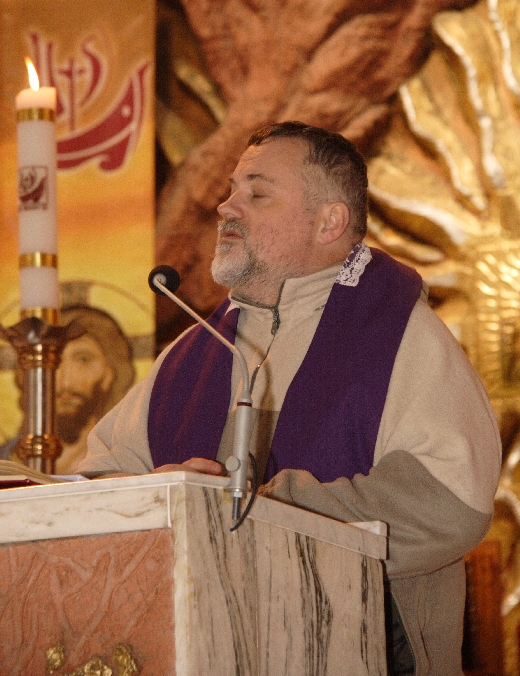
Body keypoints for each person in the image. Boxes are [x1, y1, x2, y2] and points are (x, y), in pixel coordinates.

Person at [79, 121, 501, 675]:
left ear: (329, 222)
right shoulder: (194, 352)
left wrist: (266, 516)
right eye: (231, 190)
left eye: (257, 194)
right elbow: (95, 485)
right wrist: (165, 497)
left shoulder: (399, 335)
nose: (226, 207)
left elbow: (450, 504)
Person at [0, 305, 135, 474]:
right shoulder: (5, 462)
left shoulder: (123, 461)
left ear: (110, 373)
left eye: (83, 360)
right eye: (54, 361)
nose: (65, 382)